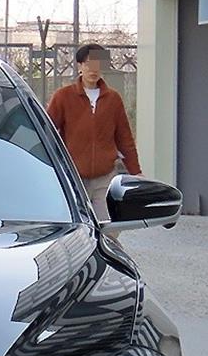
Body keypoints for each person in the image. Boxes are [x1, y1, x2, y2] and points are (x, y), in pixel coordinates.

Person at [46, 43, 141, 222]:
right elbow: (47, 132)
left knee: (108, 224)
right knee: (76, 226)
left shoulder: (113, 99)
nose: (93, 69)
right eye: (89, 64)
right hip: (73, 176)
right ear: (79, 66)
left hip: (104, 176)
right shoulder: (63, 97)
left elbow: (124, 139)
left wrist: (136, 172)